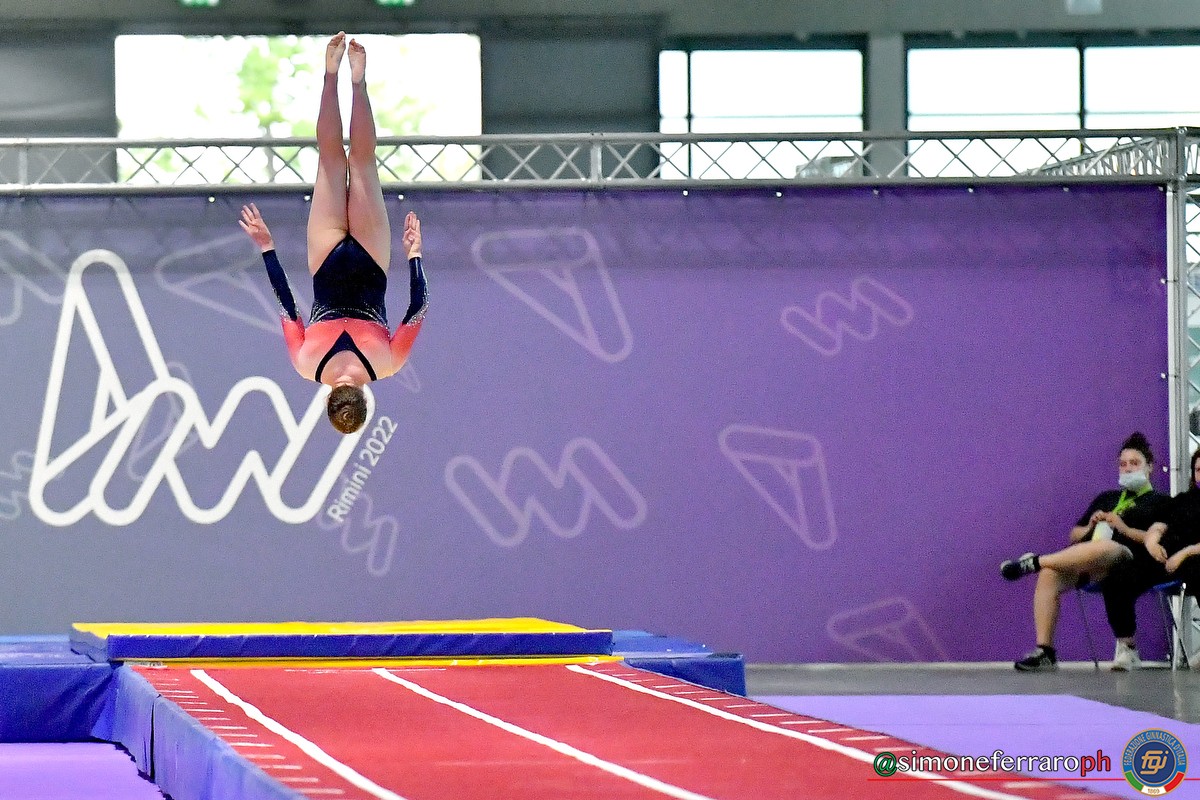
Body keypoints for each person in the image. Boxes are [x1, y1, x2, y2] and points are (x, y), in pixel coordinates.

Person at [238, 32, 427, 435]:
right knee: (329, 160)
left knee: (361, 160)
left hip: (371, 258)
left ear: (364, 401)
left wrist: (415, 255)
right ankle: (329, 74)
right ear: (329, 401)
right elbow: (286, 305)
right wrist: (267, 248)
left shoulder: (387, 364)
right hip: (325, 259)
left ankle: (356, 80)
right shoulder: (306, 365)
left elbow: (419, 307)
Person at [999, 432, 1168, 672]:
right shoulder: (1107, 498)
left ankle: (1034, 561)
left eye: (1134, 463)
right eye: (1123, 464)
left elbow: (1157, 538)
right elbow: (1075, 535)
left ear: (1149, 466)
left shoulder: (1160, 502)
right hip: (1094, 563)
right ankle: (1046, 651)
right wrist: (1091, 525)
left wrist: (1122, 527)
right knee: (1049, 573)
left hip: (1132, 560)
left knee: (1108, 547)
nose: (1128, 469)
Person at [1101, 446, 1200, 669]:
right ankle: (1127, 647)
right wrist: (1152, 543)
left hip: (1193, 558)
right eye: (1198, 470)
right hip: (1165, 557)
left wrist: (1184, 553)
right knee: (1118, 575)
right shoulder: (1183, 500)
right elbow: (1159, 525)